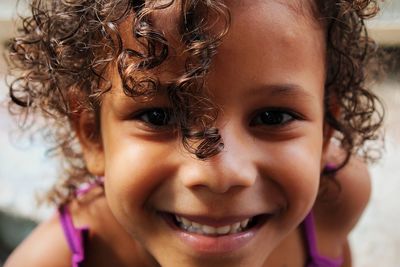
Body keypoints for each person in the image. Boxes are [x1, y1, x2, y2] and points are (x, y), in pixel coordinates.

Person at [4, 0, 383, 266]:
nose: (219, 175)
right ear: (92, 134)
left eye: (272, 117)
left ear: (327, 130)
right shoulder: (50, 260)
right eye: (157, 116)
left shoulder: (336, 200)